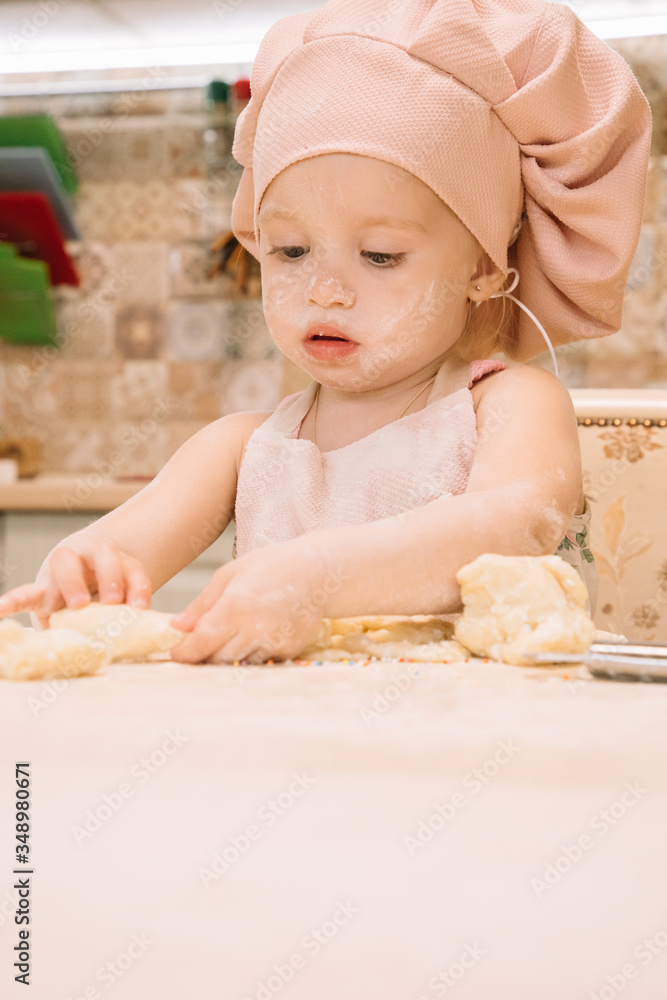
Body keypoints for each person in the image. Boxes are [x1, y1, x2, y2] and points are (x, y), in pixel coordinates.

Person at [0, 0, 651, 664]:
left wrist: (320, 578)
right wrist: (84, 565)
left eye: (379, 256)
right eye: (290, 250)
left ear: (483, 268)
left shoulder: (509, 405)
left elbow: (516, 523)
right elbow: (125, 549)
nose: (325, 290)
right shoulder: (239, 448)